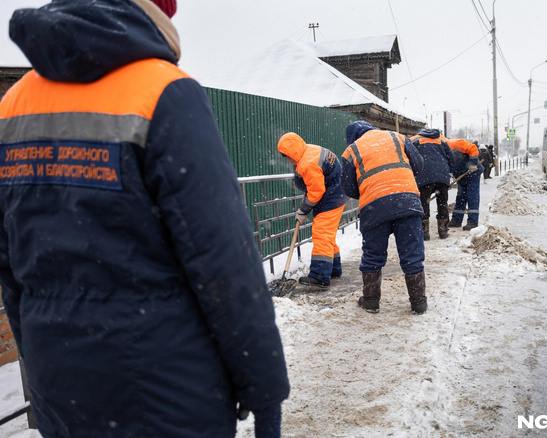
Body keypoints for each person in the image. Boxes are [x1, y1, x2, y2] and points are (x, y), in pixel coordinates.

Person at [0, 1, 289, 437]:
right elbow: (224, 261)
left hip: (60, 386)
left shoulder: (13, 105)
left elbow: (10, 265)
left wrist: (45, 361)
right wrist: (264, 386)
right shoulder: (163, 91)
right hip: (166, 385)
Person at [341, 121, 427, 314]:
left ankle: (371, 300)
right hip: (407, 201)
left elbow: (348, 187)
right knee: (412, 252)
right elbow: (419, 165)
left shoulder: (351, 151)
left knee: (373, 254)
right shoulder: (397, 137)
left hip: (374, 207)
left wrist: (369, 187)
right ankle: (419, 302)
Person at [278, 132, 345, 288]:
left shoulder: (308, 163)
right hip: (335, 193)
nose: (287, 160)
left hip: (331, 197)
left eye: (286, 156)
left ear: (292, 152)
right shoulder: (309, 150)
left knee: (321, 233)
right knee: (327, 234)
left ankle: (320, 276)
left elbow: (316, 190)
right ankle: (333, 269)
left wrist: (303, 210)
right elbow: (313, 187)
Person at [410, 128, 454, 240]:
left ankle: (424, 232)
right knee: (442, 202)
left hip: (424, 176)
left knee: (424, 202)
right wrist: (449, 171)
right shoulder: (441, 140)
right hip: (442, 176)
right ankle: (443, 230)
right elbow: (451, 157)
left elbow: (410, 158)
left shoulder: (414, 140)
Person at [447, 139, 484, 230]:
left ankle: (472, 222)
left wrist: (473, 163)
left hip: (473, 172)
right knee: (460, 196)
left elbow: (473, 148)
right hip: (461, 174)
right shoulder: (440, 151)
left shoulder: (456, 143)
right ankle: (456, 220)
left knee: (472, 196)